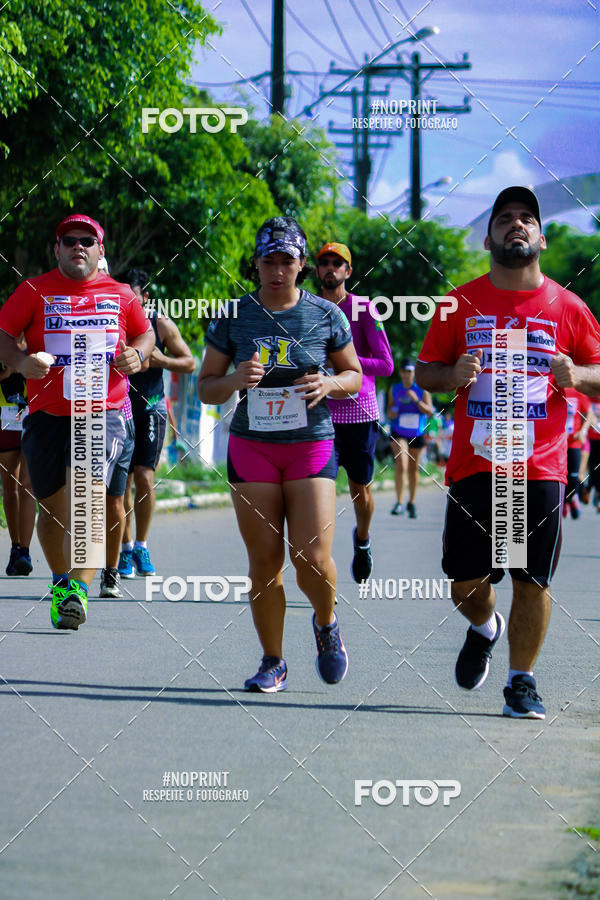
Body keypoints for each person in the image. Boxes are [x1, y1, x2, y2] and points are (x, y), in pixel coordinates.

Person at [416, 186, 600, 719]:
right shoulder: (459, 302)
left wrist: (580, 374)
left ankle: (522, 682)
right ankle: (483, 626)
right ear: (489, 236)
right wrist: (450, 375)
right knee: (466, 584)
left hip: (539, 465)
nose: (516, 225)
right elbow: (427, 369)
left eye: (526, 218)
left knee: (531, 578)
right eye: (504, 219)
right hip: (475, 463)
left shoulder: (569, 307)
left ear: (541, 237)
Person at [198, 216, 362, 692]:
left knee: (311, 556)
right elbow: (206, 388)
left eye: (286, 260)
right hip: (253, 448)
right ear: (255, 264)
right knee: (265, 561)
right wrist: (234, 380)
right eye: (268, 260)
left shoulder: (325, 315)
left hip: (310, 444)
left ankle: (326, 623)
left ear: (302, 265)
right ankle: (273, 661)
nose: (277, 270)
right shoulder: (233, 316)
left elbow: (353, 376)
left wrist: (329, 382)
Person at [0, 214, 154, 629]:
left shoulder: (122, 295)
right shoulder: (34, 291)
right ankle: (61, 583)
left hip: (101, 413)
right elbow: (2, 331)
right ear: (57, 249)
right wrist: (19, 361)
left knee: (86, 501)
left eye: (87, 240)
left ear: (101, 250)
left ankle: (79, 591)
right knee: (51, 511)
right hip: (47, 416)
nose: (78, 246)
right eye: (69, 240)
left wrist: (137, 354)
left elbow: (146, 335)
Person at [316, 241, 393, 582]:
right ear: (316, 270)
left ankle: (362, 539)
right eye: (324, 262)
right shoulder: (309, 308)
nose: (330, 268)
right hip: (319, 413)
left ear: (348, 271)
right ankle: (321, 563)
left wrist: (345, 364)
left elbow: (387, 365)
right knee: (319, 490)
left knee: (359, 491)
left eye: (338, 263)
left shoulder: (363, 309)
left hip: (359, 415)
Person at [118, 269, 195, 578]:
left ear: (145, 297)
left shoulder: (160, 323)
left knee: (144, 477)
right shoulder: (112, 323)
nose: (127, 302)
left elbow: (189, 361)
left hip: (151, 405)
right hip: (119, 407)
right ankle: (123, 551)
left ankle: (141, 544)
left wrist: (163, 361)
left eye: (132, 296)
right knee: (121, 481)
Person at [0, 361, 35, 574]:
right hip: (5, 415)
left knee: (27, 485)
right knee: (10, 487)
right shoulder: (3, 339)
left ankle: (25, 551)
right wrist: (11, 369)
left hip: (33, 411)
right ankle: (15, 545)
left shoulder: (37, 336)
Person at [387, 359, 433, 518]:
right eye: (404, 371)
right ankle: (399, 502)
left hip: (417, 433)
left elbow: (430, 412)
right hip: (399, 431)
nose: (407, 375)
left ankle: (411, 502)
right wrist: (391, 412)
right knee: (402, 463)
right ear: (400, 372)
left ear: (414, 373)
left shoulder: (422, 390)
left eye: (410, 371)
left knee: (413, 469)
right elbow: (389, 410)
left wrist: (416, 400)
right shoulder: (394, 389)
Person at [563, 388, 591, 520]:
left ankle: (569, 499)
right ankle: (564, 503)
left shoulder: (577, 392)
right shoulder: (550, 389)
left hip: (574, 442)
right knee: (559, 477)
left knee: (573, 478)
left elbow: (589, 415)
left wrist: (583, 431)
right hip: (556, 444)